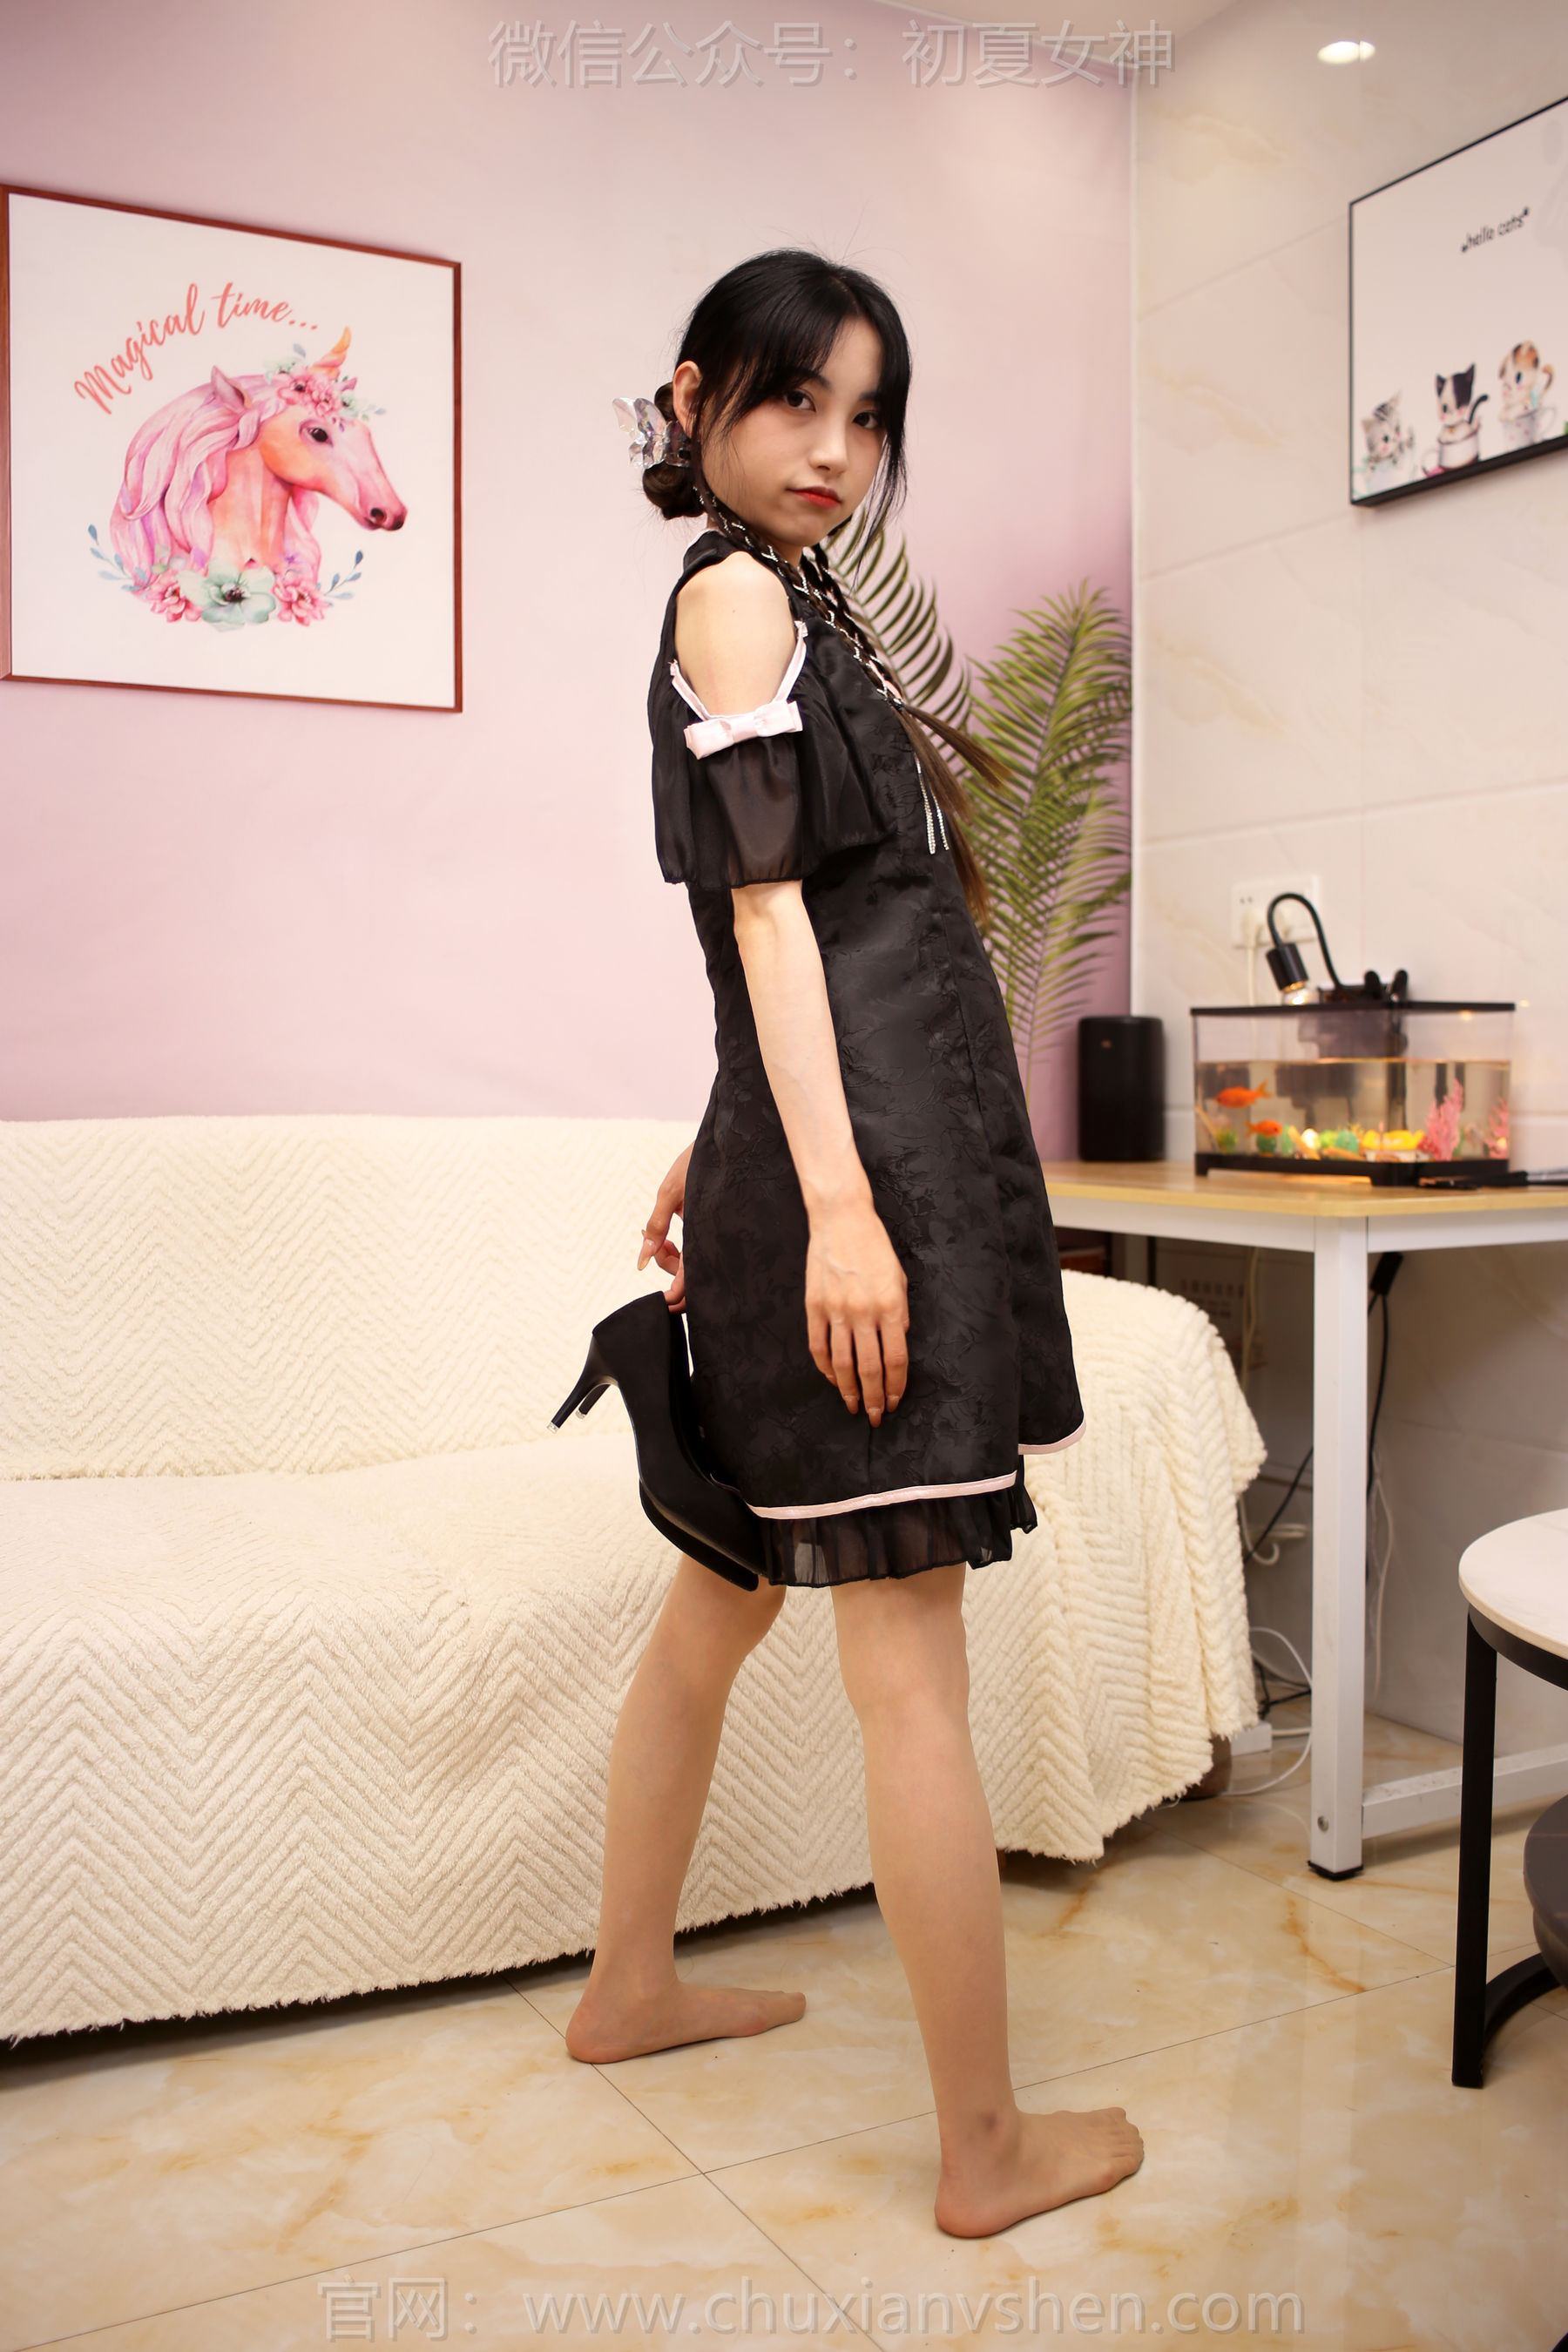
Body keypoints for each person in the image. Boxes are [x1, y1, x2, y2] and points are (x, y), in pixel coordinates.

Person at [564, 250, 1143, 2237]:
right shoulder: (737, 595)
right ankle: (985, 2149)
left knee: (717, 1604)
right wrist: (828, 1210)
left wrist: (730, 1137)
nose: (837, 448)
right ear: (696, 395)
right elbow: (763, 919)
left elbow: (817, 931)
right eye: (796, 399)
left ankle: (627, 1989)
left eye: (870, 414)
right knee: (911, 1678)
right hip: (864, 1186)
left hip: (826, 1151)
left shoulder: (789, 595)